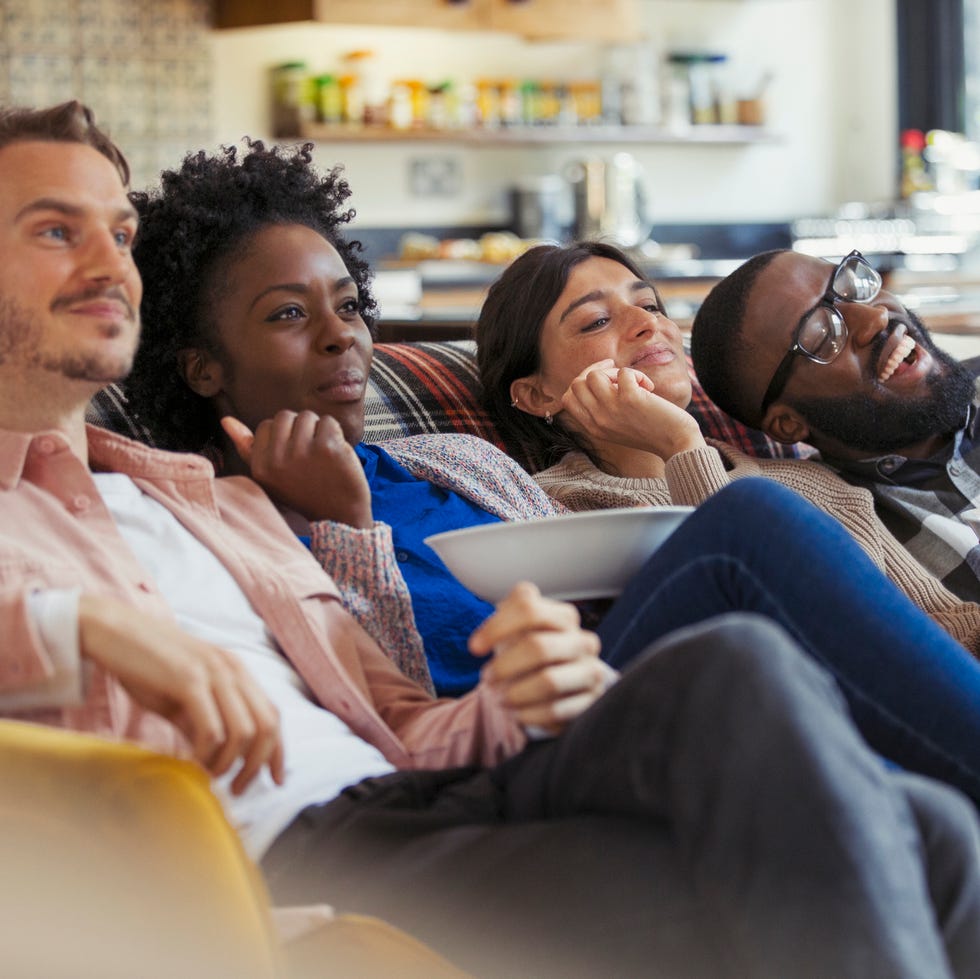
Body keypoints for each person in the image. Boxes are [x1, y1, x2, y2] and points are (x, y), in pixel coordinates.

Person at [9, 99, 980, 979]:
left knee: (901, 804)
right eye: (56, 231)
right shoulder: (193, 506)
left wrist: (512, 697)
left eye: (120, 233)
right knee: (760, 618)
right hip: (292, 854)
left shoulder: (207, 509)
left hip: (431, 789)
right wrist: (76, 629)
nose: (108, 264)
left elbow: (400, 717)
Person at [126, 141, 980, 810]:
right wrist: (346, 526)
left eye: (350, 306)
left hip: (613, 675)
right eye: (288, 314)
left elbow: (601, 593)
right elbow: (385, 707)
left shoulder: (455, 458)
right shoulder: (212, 517)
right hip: (495, 747)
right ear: (201, 367)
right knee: (746, 529)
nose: (342, 335)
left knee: (923, 818)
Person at [691, 247, 980, 607]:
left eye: (849, 286)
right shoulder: (837, 530)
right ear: (788, 424)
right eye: (821, 333)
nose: (874, 316)